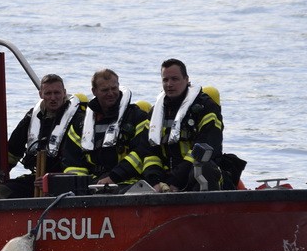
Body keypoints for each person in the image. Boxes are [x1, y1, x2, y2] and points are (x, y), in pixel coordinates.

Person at [141, 58, 231, 192]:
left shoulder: (206, 107)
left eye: (175, 79)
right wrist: (155, 181)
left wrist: (176, 180)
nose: (169, 84)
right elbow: (149, 151)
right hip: (165, 178)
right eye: (165, 80)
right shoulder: (156, 113)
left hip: (193, 174)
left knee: (205, 168)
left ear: (187, 79)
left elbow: (207, 145)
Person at [0, 74, 82, 199]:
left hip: (68, 182)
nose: (53, 98)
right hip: (37, 179)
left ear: (64, 93)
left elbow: (81, 164)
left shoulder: (78, 118)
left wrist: (54, 181)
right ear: (41, 94)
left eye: (57, 93)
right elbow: (13, 151)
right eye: (48, 93)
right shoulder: (31, 118)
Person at [60, 68, 150, 186]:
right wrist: (84, 185)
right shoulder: (80, 124)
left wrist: (114, 177)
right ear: (94, 91)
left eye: (114, 88)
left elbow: (141, 153)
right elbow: (72, 162)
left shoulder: (136, 117)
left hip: (129, 183)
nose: (111, 93)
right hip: (92, 186)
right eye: (105, 90)